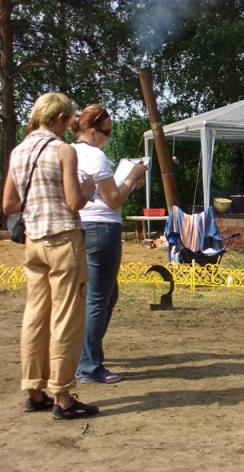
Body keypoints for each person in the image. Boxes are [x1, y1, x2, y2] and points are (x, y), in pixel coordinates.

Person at [2, 92, 99, 420]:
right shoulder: (63, 150)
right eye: (69, 119)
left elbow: (9, 205)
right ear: (59, 118)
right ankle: (63, 395)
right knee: (66, 316)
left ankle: (34, 390)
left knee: (36, 315)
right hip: (63, 240)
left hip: (33, 241)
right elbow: (73, 202)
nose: (70, 124)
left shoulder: (19, 150)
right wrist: (87, 191)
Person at [72, 104, 147, 384]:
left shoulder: (70, 152)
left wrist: (129, 184)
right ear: (92, 131)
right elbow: (113, 200)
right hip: (103, 228)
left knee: (106, 295)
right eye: (106, 132)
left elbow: (101, 193)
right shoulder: (95, 156)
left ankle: (85, 354)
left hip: (82, 226)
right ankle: (88, 364)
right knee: (97, 299)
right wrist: (133, 175)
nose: (108, 137)